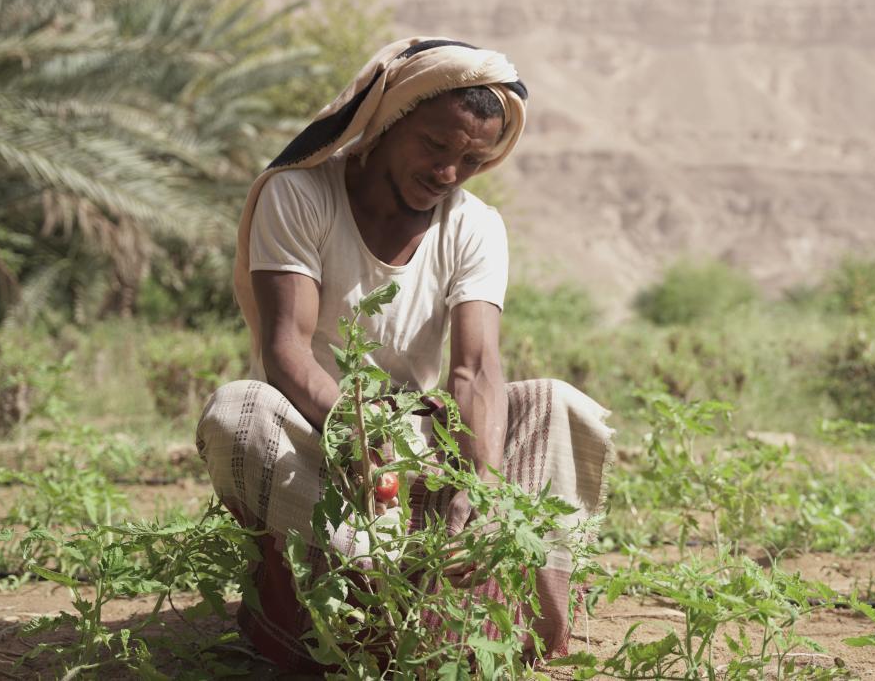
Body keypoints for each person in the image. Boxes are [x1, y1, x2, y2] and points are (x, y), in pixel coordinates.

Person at [194, 37, 613, 671]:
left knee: (555, 404)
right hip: (316, 440)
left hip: (424, 439)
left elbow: (475, 370)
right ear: (385, 122)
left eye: (472, 158)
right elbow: (286, 350)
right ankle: (332, 620)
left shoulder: (475, 226)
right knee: (238, 410)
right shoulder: (300, 197)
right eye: (436, 146)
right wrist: (360, 429)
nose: (448, 172)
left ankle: (484, 611)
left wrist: (481, 480)